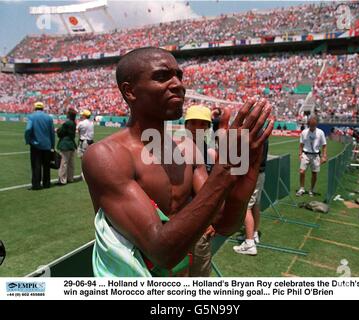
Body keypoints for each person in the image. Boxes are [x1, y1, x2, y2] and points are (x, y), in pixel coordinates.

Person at [82, 47, 274, 277]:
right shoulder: (107, 156)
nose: (178, 85)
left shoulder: (187, 149)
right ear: (130, 91)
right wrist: (225, 171)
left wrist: (248, 172)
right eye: (162, 77)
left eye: (179, 76)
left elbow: (224, 222)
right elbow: (161, 252)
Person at [184, 104, 216, 276]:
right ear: (186, 125)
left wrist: (209, 219)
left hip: (201, 223)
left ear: (208, 128)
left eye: (203, 124)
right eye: (193, 123)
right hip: (178, 220)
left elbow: (209, 188)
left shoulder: (209, 152)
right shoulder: (175, 149)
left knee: (199, 274)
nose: (198, 127)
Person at [233, 139, 269, 255]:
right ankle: (253, 234)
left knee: (246, 206)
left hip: (252, 174)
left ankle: (249, 244)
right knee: (255, 204)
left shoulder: (253, 133)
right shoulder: (262, 132)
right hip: (260, 173)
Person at [24, 102, 55, 190]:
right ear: (43, 108)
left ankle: (36, 184)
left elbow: (28, 129)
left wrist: (28, 140)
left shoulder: (31, 117)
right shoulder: (49, 118)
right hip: (47, 145)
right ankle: (47, 183)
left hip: (36, 145)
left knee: (36, 165)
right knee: (46, 165)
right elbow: (52, 133)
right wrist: (52, 145)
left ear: (34, 108)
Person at [296, 116, 327, 197]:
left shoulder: (320, 132)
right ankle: (302, 188)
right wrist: (300, 154)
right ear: (308, 124)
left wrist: (324, 156)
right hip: (305, 154)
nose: (312, 126)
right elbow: (301, 144)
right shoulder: (304, 132)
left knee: (314, 173)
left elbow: (324, 145)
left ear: (316, 124)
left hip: (316, 155)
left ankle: (311, 190)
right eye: (311, 125)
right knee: (302, 171)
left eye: (314, 125)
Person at [57, 108, 77, 185]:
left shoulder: (67, 123)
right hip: (71, 144)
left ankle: (62, 180)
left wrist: (57, 130)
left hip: (65, 144)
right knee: (71, 163)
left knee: (64, 163)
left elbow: (61, 132)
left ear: (69, 115)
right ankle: (70, 178)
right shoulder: (73, 123)